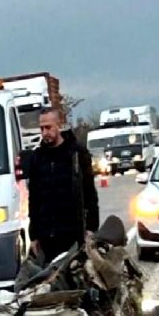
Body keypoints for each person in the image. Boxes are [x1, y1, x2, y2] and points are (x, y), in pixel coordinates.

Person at [26, 108, 99, 264]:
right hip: (47, 238)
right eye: (41, 128)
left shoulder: (77, 154)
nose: (45, 132)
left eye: (48, 127)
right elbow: (34, 200)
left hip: (73, 236)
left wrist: (91, 229)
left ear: (59, 125)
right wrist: (34, 236)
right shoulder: (37, 159)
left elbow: (90, 194)